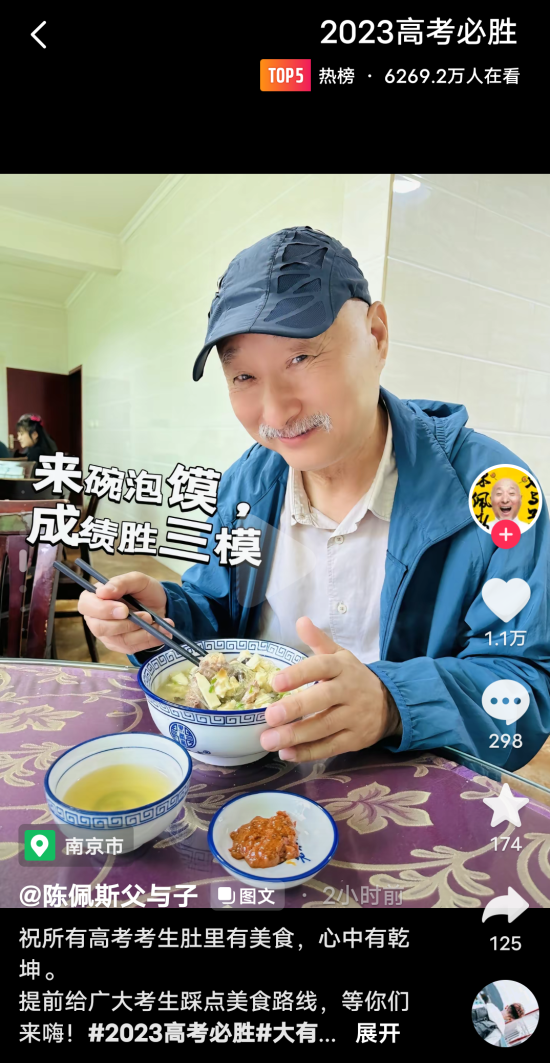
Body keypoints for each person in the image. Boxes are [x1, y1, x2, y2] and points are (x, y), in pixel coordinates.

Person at [77, 225, 550, 770]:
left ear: (376, 336)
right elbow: (219, 614)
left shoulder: (495, 490)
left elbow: (526, 687)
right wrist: (167, 615)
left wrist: (391, 703)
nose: (276, 412)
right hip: (258, 777)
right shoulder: (245, 485)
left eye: (301, 358)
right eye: (244, 376)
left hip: (411, 786)